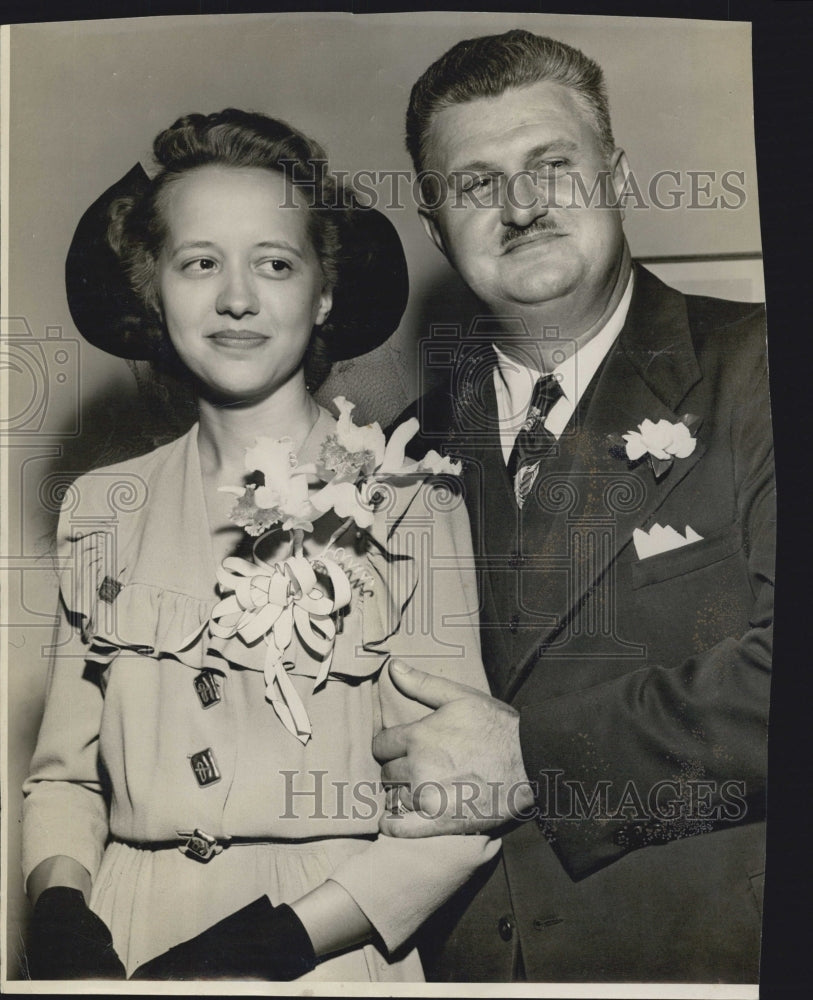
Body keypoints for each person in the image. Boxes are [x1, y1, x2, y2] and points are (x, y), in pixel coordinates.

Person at [21, 108, 500, 982]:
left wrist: (282, 942)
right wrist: (58, 908)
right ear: (152, 289)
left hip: (327, 942)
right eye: (198, 262)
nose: (235, 297)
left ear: (322, 294)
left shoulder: (409, 502)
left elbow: (459, 807)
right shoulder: (101, 506)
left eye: (273, 264)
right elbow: (64, 779)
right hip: (126, 935)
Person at [374, 30, 773, 983]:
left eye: (550, 167)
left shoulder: (759, 369)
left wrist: (537, 759)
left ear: (617, 175)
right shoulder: (402, 451)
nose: (518, 207)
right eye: (475, 185)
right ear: (436, 228)